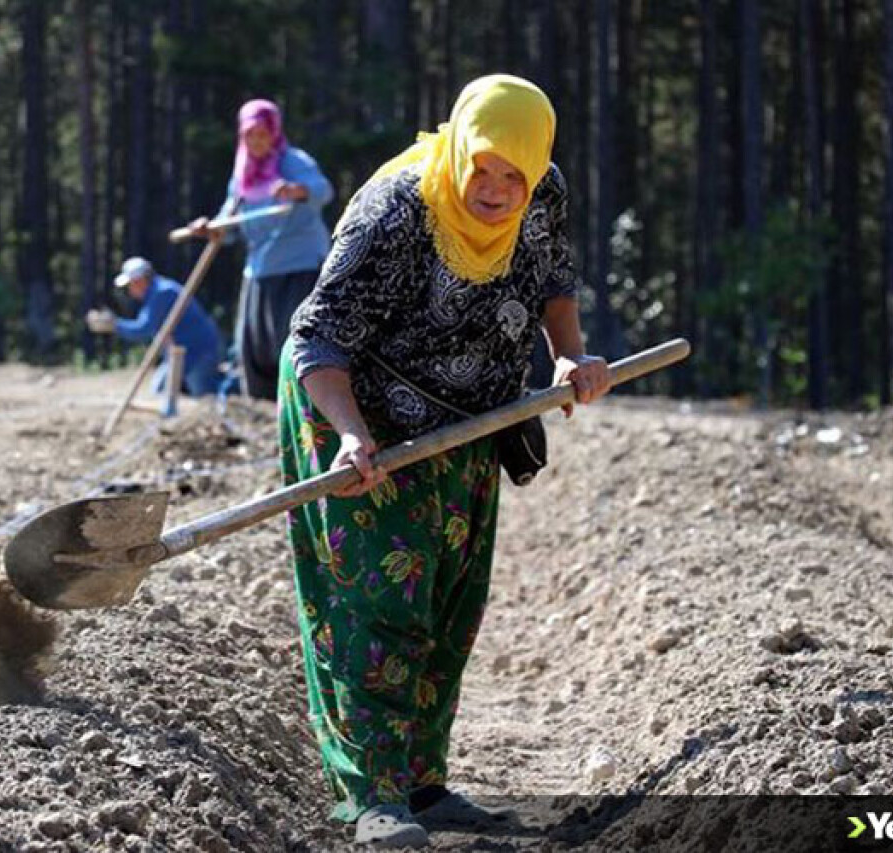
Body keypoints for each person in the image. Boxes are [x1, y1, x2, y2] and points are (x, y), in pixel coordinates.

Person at [278, 75, 614, 848]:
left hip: (467, 423)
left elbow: (554, 281)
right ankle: (373, 796)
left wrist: (569, 359)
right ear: (460, 146)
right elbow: (317, 338)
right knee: (374, 604)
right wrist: (353, 435)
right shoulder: (396, 212)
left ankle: (424, 785)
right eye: (483, 168)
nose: (496, 191)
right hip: (356, 412)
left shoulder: (544, 192)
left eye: (513, 176)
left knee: (449, 601)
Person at [186, 98, 334, 401]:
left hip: (300, 267)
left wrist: (296, 190)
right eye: (249, 135)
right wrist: (211, 228)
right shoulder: (242, 175)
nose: (256, 141)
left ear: (275, 133)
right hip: (260, 270)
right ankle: (266, 412)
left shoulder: (293, 161)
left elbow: (323, 190)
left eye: (262, 134)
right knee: (253, 349)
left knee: (293, 344)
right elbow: (229, 223)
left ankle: (305, 409)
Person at [86, 257, 224, 405]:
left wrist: (114, 325)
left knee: (205, 400)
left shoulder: (162, 293)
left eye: (130, 285)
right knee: (160, 390)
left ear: (140, 280)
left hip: (198, 352)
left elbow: (143, 329)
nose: (130, 290)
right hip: (182, 353)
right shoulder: (158, 291)